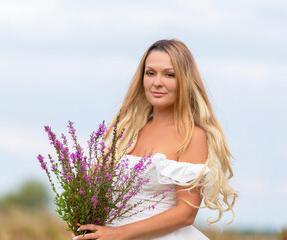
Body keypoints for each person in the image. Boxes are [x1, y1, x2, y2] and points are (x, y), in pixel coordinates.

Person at [71, 39, 238, 240]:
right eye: (150, 73)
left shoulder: (192, 136)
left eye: (169, 74)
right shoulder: (126, 128)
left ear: (184, 80)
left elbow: (186, 213)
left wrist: (119, 233)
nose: (157, 82)